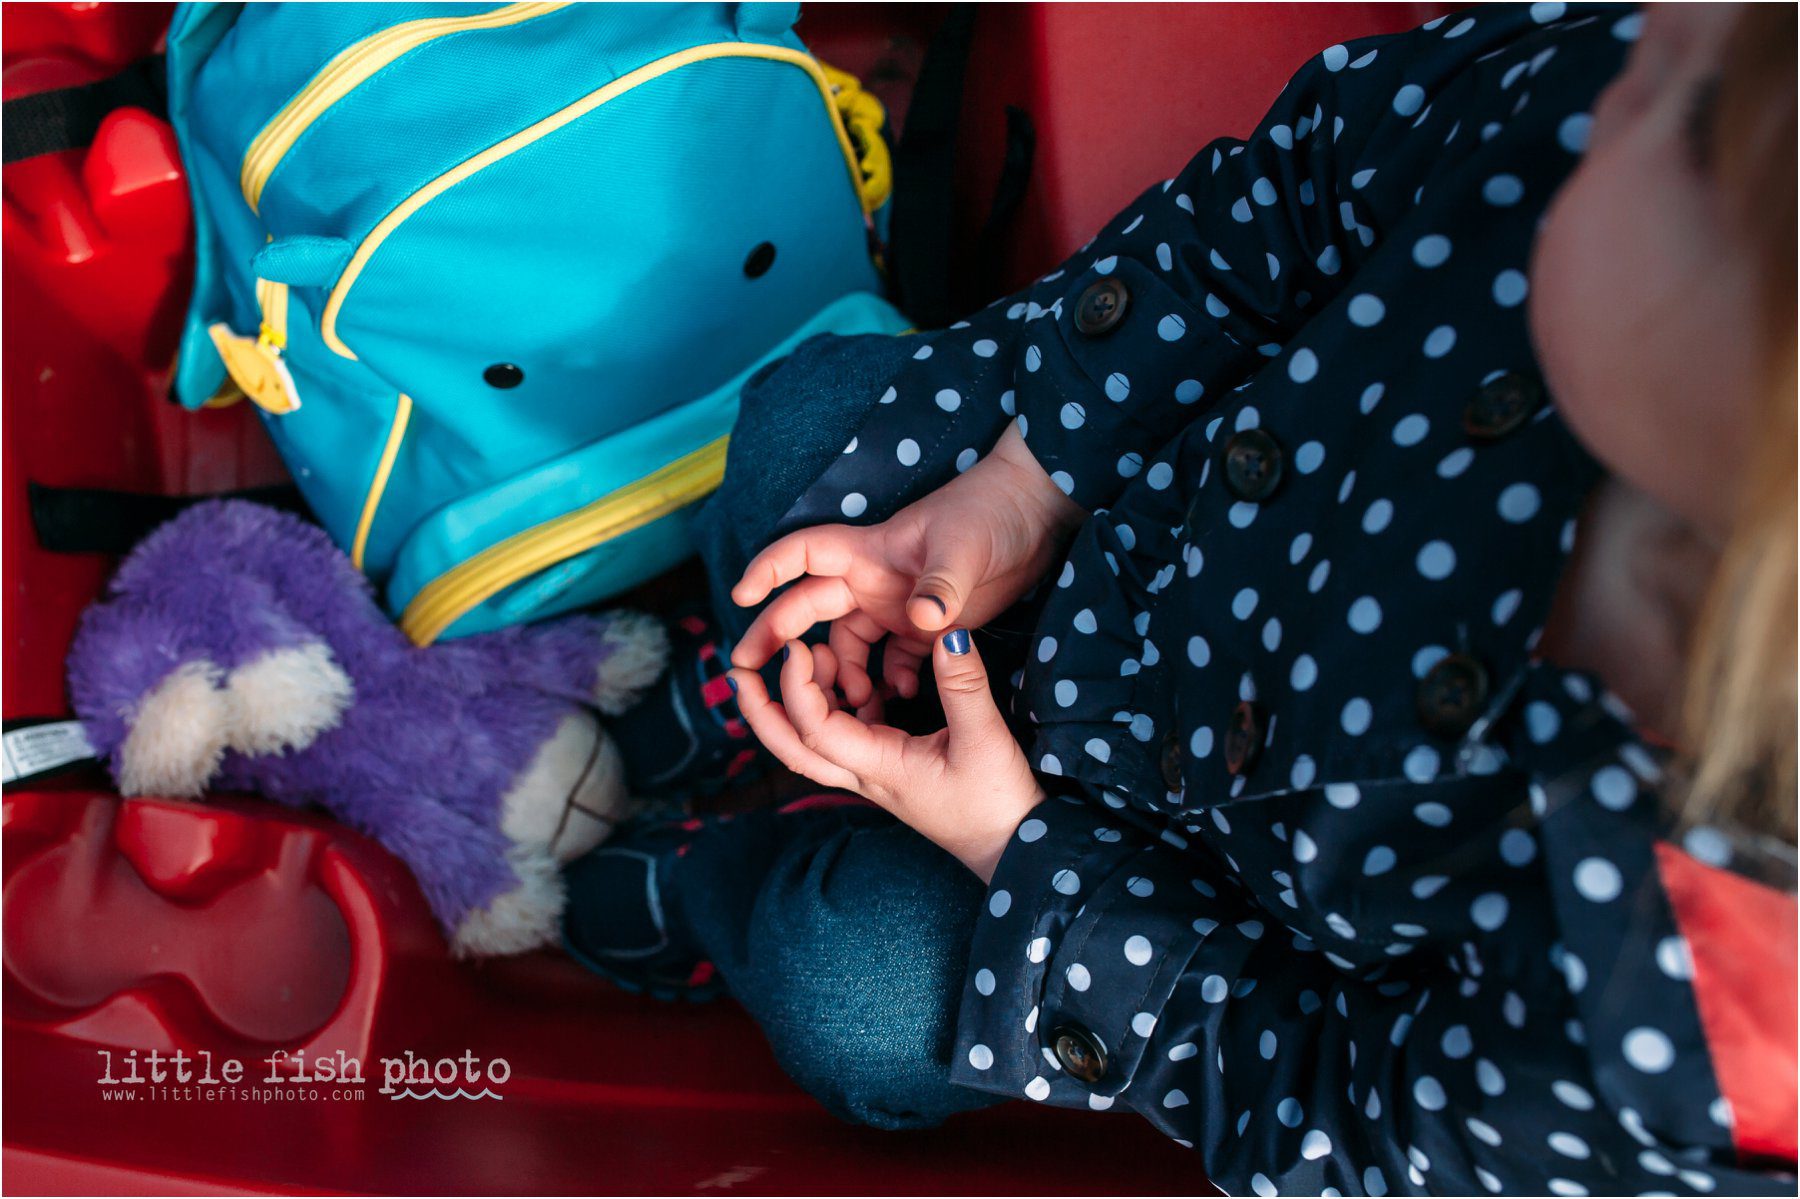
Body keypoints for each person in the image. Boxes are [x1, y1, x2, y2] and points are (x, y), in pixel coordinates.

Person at [566, 4, 1798, 1193]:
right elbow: (1298, 185)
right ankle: (757, 686)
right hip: (1099, 523)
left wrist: (1016, 842)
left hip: (1155, 894)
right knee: (808, 443)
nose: (1658, 25)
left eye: (1693, 122)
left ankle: (709, 886)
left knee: (851, 984)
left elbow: (1340, 1115)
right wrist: (1025, 482)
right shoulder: (1673, 55)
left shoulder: (1709, 1003)